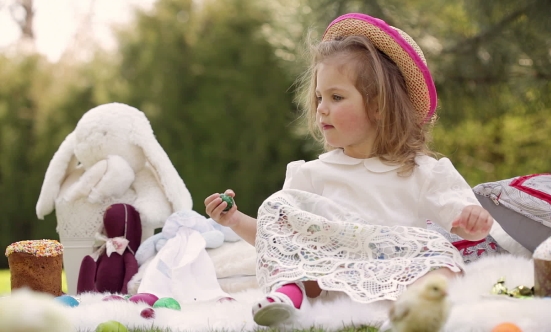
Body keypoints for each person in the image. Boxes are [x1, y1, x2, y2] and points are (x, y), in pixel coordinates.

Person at [204, 12, 493, 327]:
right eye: (319, 97)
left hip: (392, 270)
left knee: (441, 251)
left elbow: (461, 219)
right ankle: (288, 295)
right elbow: (278, 237)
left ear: (379, 106)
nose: (321, 108)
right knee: (279, 207)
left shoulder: (422, 171)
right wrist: (234, 220)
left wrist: (472, 220)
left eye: (336, 97)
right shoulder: (312, 174)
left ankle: (415, 310)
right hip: (331, 274)